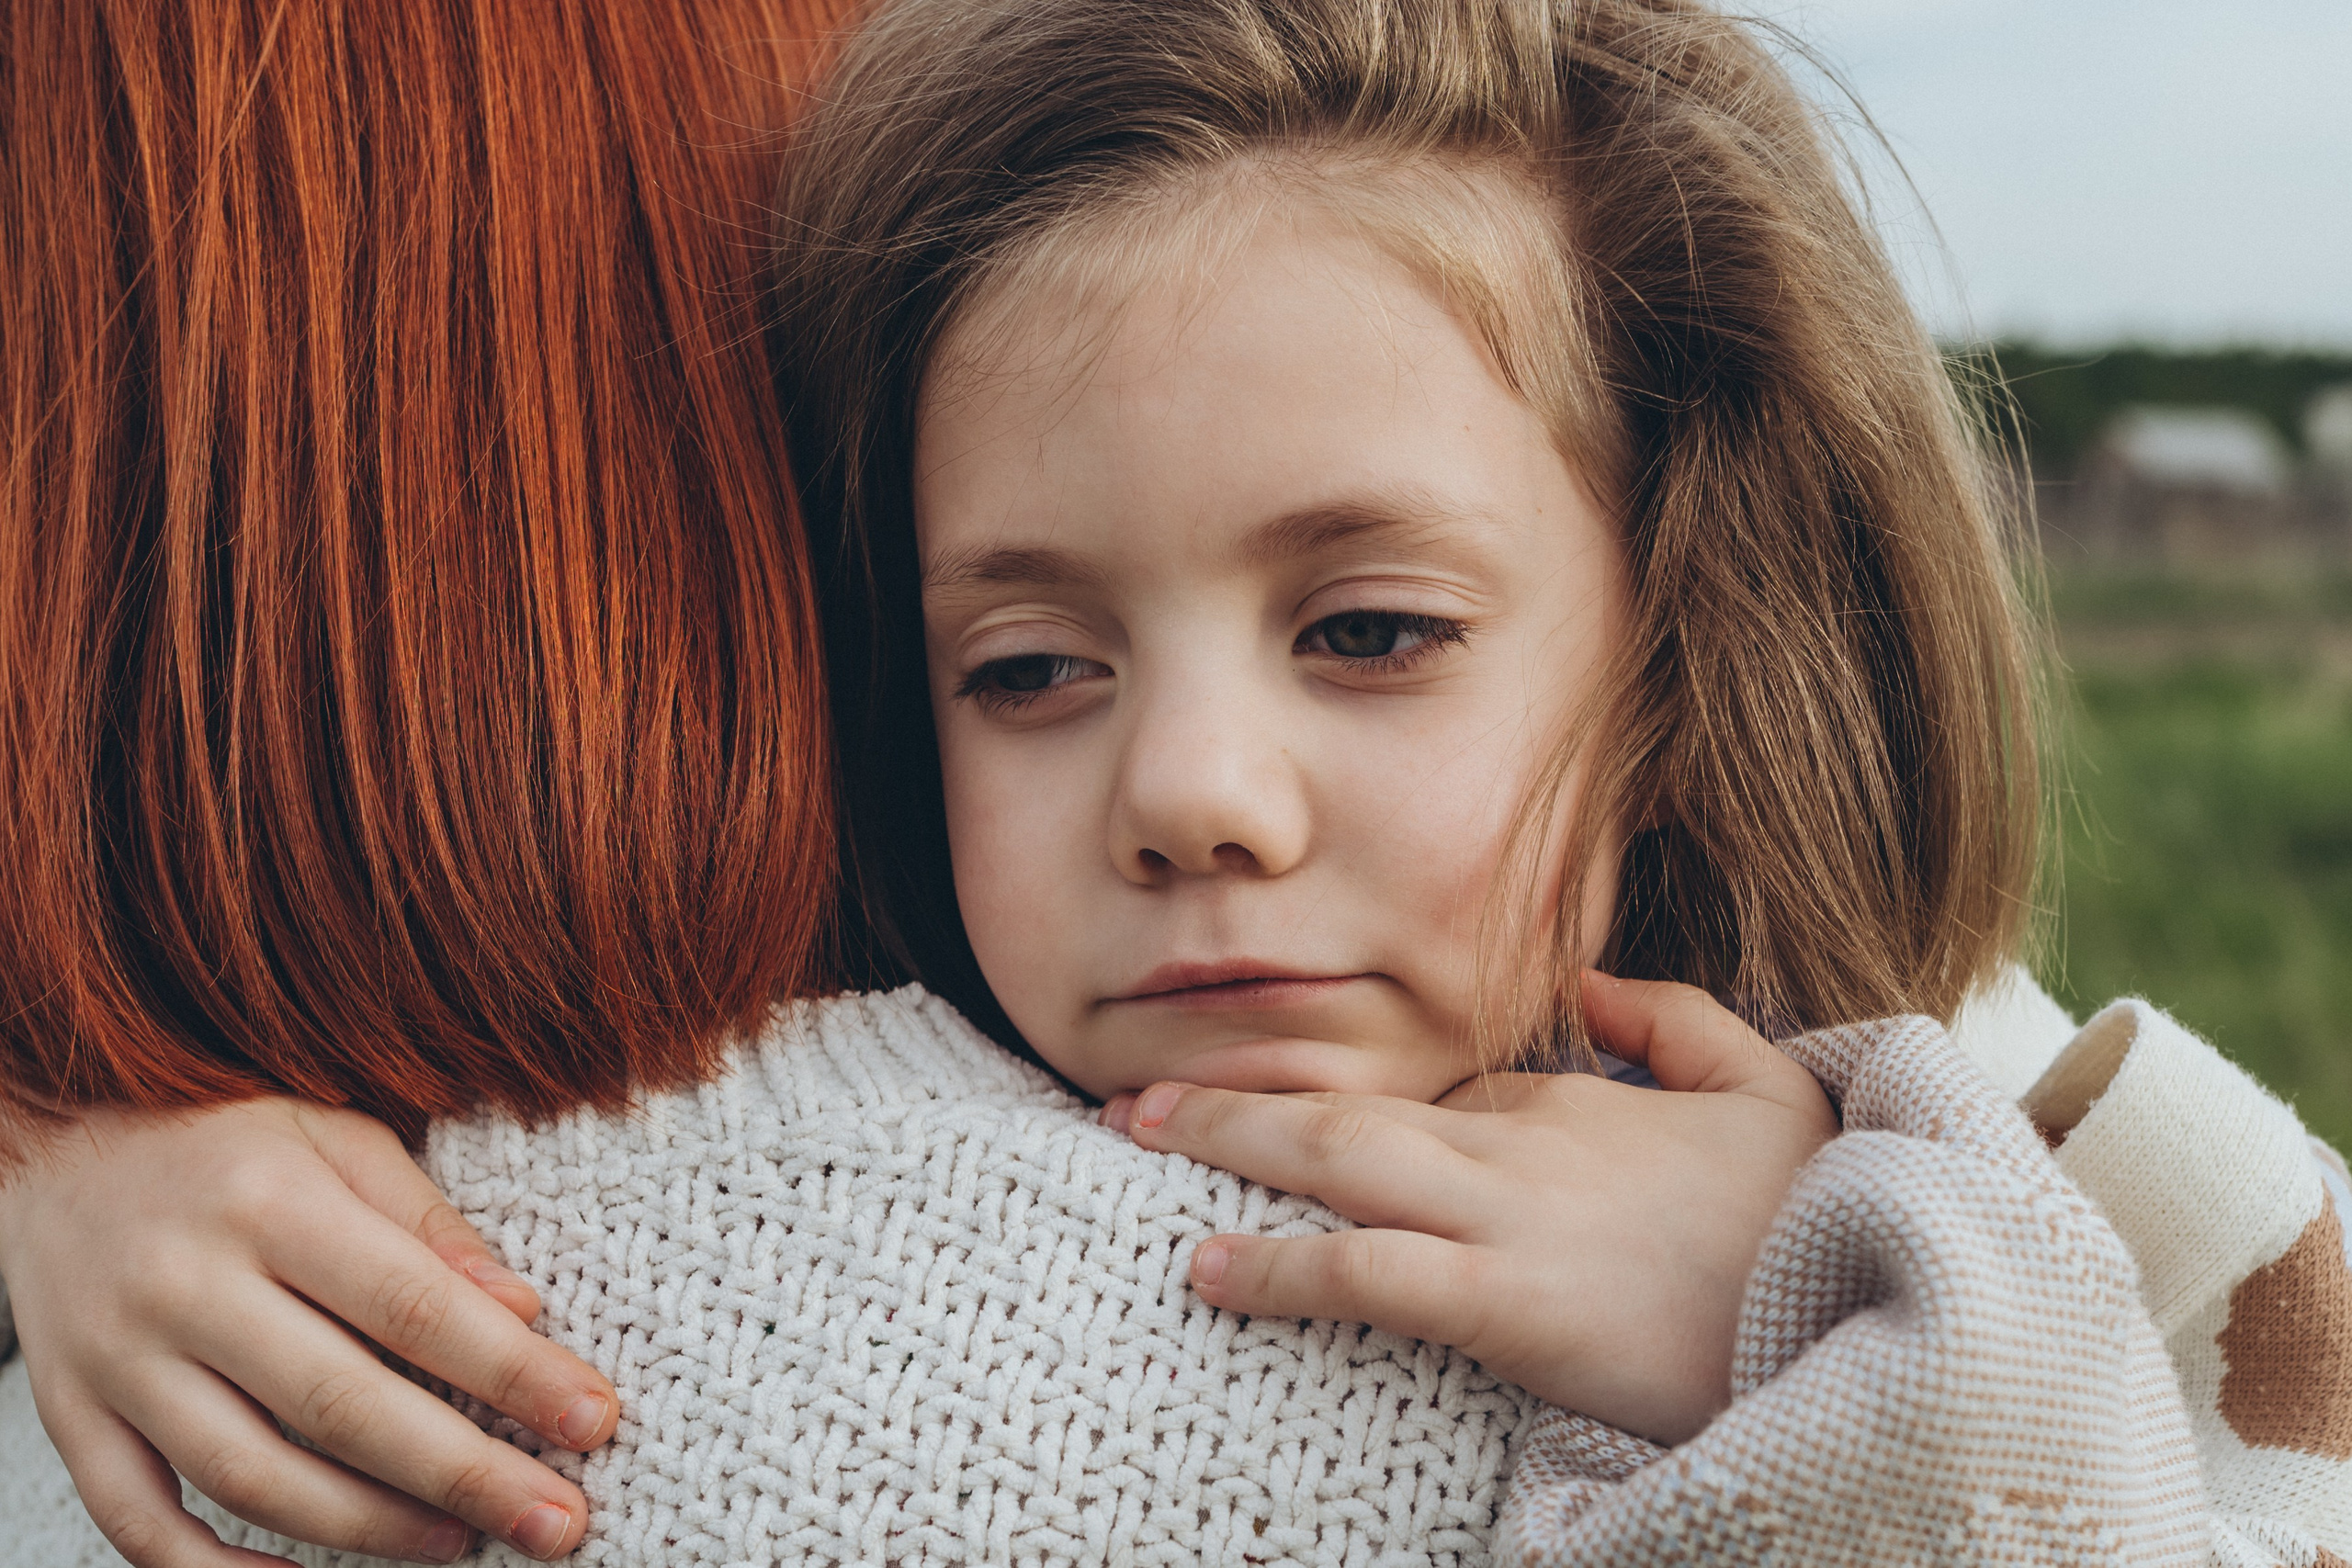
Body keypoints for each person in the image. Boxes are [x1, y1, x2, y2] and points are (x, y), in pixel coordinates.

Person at [3, 3, 2346, 1568]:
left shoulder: (1936, 1129)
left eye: (1369, 632)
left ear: (1679, 647)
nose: (1190, 792)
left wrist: (1836, 1316)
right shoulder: (797, 1121)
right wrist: (82, 1146)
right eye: (1028, 667)